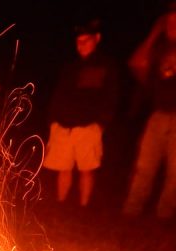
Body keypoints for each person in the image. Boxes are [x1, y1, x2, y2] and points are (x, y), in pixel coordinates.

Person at [42, 19, 120, 208]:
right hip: (63, 125)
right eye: (78, 41)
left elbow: (112, 95)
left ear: (97, 39)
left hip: (88, 126)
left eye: (86, 41)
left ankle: (83, 207)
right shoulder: (71, 66)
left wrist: (101, 123)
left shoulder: (106, 66)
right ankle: (61, 205)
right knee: (63, 168)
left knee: (87, 169)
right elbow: (58, 94)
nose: (81, 45)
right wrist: (53, 120)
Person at [123, 2, 176, 219]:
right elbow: (136, 64)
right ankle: (131, 211)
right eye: (169, 20)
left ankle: (165, 214)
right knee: (144, 165)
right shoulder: (158, 48)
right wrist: (154, 34)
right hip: (158, 114)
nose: (172, 24)